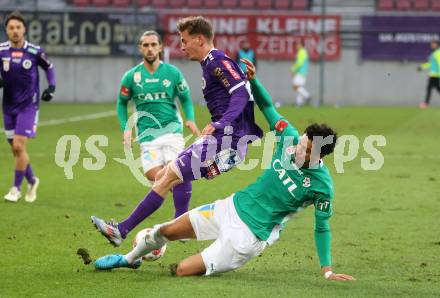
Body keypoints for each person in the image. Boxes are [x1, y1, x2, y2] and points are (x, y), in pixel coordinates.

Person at [94, 59, 355, 281]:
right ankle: (127, 259)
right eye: (303, 144)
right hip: (230, 207)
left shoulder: (321, 186)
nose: (301, 150)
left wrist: (327, 270)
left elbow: (322, 228)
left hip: (249, 237)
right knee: (165, 231)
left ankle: (195, 258)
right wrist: (254, 81)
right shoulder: (289, 138)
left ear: (321, 155)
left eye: (308, 151)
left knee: (182, 270)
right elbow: (267, 108)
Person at [91, 16, 263, 246]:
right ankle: (163, 227)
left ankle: (125, 230)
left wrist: (222, 124)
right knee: (165, 176)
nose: (181, 46)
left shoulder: (216, 61)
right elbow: (243, 88)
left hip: (225, 141)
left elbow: (241, 94)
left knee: (169, 176)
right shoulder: (211, 64)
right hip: (224, 141)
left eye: (185, 40)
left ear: (199, 39)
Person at [115, 30, 199, 224]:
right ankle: (183, 218)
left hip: (172, 132)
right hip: (146, 137)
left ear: (160, 47)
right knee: (160, 177)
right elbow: (121, 103)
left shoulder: (173, 73)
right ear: (140, 49)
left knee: (175, 172)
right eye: (146, 45)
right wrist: (125, 128)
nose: (150, 49)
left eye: (153, 44)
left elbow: (185, 98)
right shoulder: (131, 77)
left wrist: (190, 118)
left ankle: (180, 219)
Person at [0, 11, 56, 203]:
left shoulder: (33, 51)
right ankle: (32, 180)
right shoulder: (1, 50)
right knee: (16, 150)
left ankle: (15, 188)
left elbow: (49, 67)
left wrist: (51, 87)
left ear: (24, 29)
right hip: (8, 107)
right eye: (11, 28)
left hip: (28, 106)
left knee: (18, 145)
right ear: (6, 30)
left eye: (18, 27)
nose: (15, 31)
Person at [418, 40, 440, 109]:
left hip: (436, 75)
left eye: (433, 44)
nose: (432, 45)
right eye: (431, 44)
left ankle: (426, 103)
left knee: (430, 88)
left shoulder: (438, 53)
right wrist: (421, 67)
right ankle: (426, 103)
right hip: (433, 75)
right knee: (432, 88)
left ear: (437, 44)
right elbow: (430, 64)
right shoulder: (434, 53)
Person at [290, 40, 311, 106]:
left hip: (300, 72)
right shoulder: (302, 52)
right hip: (302, 72)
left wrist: (293, 70)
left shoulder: (302, 52)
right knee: (299, 87)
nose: (296, 46)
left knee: (295, 87)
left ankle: (307, 96)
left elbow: (299, 63)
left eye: (298, 44)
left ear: (301, 45)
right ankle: (299, 103)